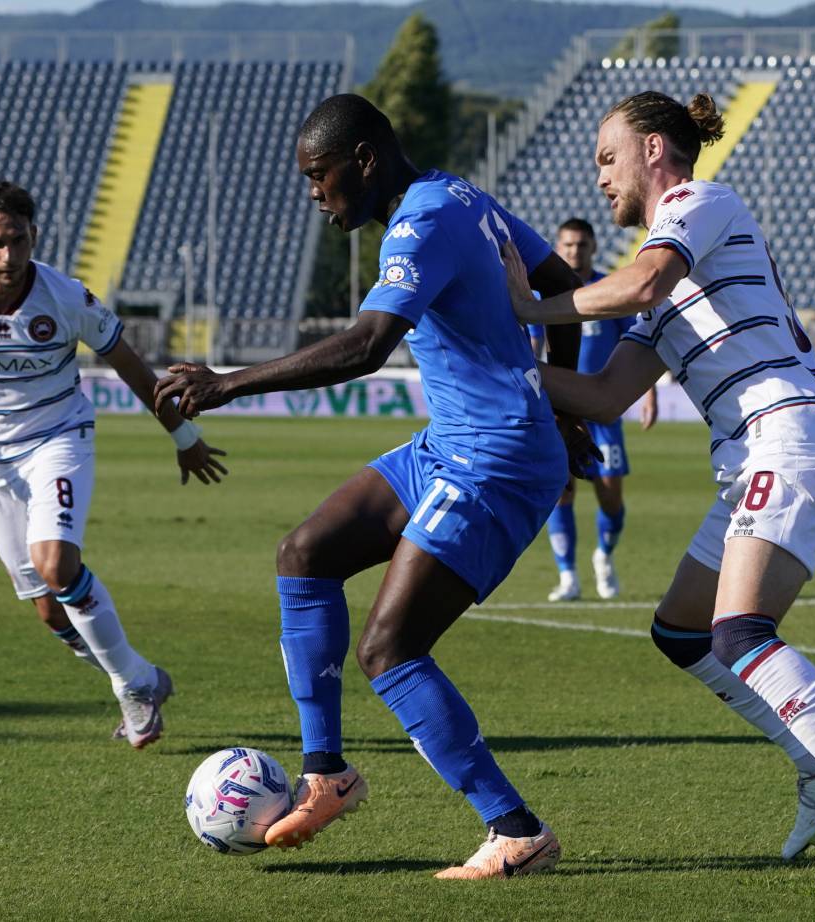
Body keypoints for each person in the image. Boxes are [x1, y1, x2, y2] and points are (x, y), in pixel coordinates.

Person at [155, 93, 592, 879]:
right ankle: (326, 773)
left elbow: (365, 346)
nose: (315, 193)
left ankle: (516, 830)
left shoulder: (424, 220)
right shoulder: (463, 195)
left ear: (363, 160)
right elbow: (560, 285)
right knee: (305, 553)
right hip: (453, 443)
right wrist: (556, 396)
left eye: (319, 176)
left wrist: (225, 383)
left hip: (493, 463)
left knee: (390, 649)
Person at [502, 91, 815, 889]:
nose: (598, 177)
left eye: (606, 157)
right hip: (755, 454)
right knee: (682, 632)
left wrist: (530, 304)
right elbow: (601, 397)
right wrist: (500, 370)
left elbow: (639, 281)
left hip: (790, 434)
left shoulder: (701, 204)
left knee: (740, 632)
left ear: (656, 150)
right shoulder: (668, 287)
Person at [0, 180, 227, 748]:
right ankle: (143, 678)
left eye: (18, 240)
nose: (8, 255)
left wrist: (183, 433)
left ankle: (131, 689)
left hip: (57, 438)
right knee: (50, 612)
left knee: (56, 565)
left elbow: (130, 365)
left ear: (33, 237)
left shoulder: (65, 295)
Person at [527, 218, 658, 601]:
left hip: (603, 413)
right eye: (567, 245)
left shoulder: (609, 291)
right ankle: (568, 576)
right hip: (561, 409)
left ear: (594, 247)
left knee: (611, 497)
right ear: (558, 247)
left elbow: (639, 343)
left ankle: (604, 554)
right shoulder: (546, 294)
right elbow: (534, 350)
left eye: (581, 245)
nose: (574, 252)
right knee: (562, 491)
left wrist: (647, 394)